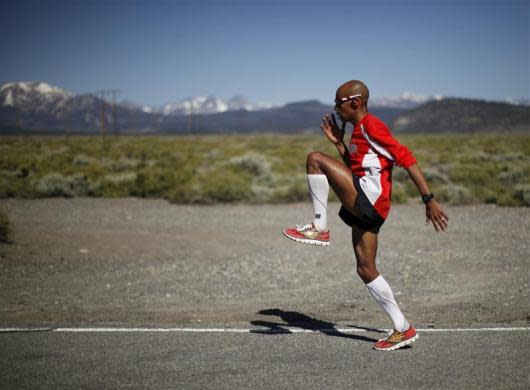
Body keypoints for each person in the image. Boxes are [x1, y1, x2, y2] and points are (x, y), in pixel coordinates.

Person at [283, 80, 449, 351]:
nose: (337, 109)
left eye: (339, 103)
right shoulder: (357, 131)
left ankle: (319, 226)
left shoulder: (372, 126)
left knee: (314, 158)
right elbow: (355, 170)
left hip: (369, 201)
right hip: (367, 202)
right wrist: (339, 144)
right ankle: (402, 328)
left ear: (355, 102)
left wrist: (428, 199)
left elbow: (407, 159)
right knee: (365, 269)